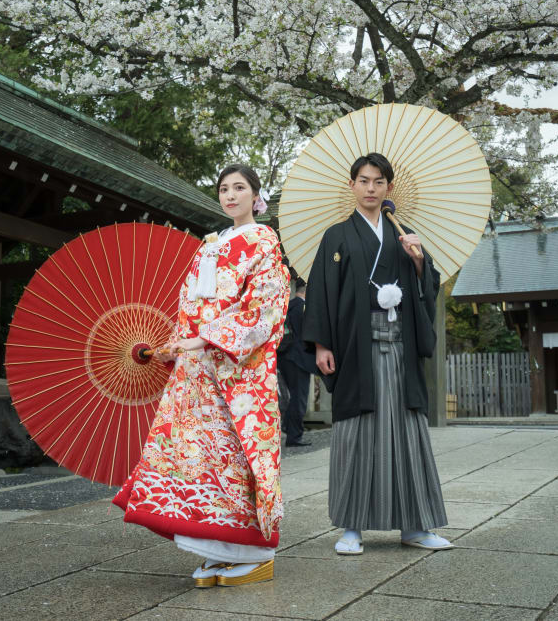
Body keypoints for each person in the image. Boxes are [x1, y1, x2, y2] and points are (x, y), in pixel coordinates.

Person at [113, 164, 290, 587]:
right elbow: (188, 309)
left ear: (256, 196)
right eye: (224, 188)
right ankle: (215, 547)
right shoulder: (210, 245)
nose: (230, 195)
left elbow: (265, 310)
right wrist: (175, 346)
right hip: (195, 372)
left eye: (240, 188)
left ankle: (252, 552)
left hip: (235, 372)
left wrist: (206, 338)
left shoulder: (265, 243)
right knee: (196, 457)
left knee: (234, 457)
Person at [302, 152, 451, 556]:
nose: (371, 188)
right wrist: (321, 344)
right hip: (356, 348)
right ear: (352, 185)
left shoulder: (405, 234)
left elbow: (428, 289)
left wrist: (419, 264)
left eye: (379, 182)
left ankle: (416, 525)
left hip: (400, 345)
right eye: (364, 181)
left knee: (408, 432)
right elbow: (321, 291)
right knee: (356, 433)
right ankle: (351, 527)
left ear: (389, 187)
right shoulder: (336, 236)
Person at [279, 278, 318, 446]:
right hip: (299, 357)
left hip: (285, 356)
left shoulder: (288, 306)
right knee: (299, 397)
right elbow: (307, 333)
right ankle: (294, 435)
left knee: (293, 395)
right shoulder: (302, 308)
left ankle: (289, 427)